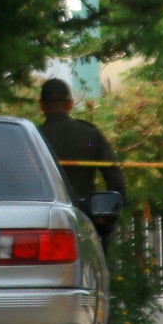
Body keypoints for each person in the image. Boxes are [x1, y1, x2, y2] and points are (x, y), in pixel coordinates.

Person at [37, 78, 126, 243]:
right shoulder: (90, 134)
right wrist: (106, 221)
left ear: (42, 105)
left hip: (44, 223)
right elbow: (116, 180)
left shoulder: (34, 138)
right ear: (70, 104)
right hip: (86, 222)